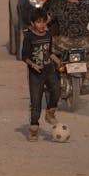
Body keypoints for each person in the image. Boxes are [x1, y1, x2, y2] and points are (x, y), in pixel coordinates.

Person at [21, 8, 62, 142]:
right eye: (38, 22)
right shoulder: (29, 37)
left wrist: (57, 60)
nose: (42, 25)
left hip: (49, 70)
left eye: (43, 22)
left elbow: (49, 52)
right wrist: (33, 65)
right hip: (35, 74)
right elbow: (24, 57)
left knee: (56, 90)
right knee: (36, 102)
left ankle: (50, 113)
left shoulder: (48, 35)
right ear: (32, 23)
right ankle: (33, 130)